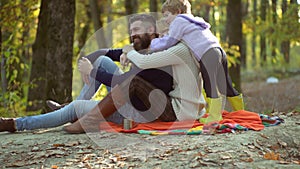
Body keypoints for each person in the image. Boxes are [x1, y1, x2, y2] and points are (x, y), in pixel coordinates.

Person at [0, 14, 176, 133]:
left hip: (138, 112)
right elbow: (107, 53)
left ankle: (15, 123)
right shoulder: (142, 48)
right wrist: (87, 60)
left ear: (151, 30)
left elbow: (124, 82)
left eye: (136, 30)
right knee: (102, 61)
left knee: (76, 108)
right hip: (126, 100)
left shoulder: (156, 54)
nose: (132, 35)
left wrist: (92, 72)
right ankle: (73, 106)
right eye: (131, 31)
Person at [147, 0, 244, 123]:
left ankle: (214, 117)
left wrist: (152, 44)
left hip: (207, 54)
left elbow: (170, 41)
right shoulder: (194, 21)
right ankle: (241, 112)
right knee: (226, 84)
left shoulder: (179, 21)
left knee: (210, 85)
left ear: (178, 12)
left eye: (167, 15)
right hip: (218, 50)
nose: (165, 20)